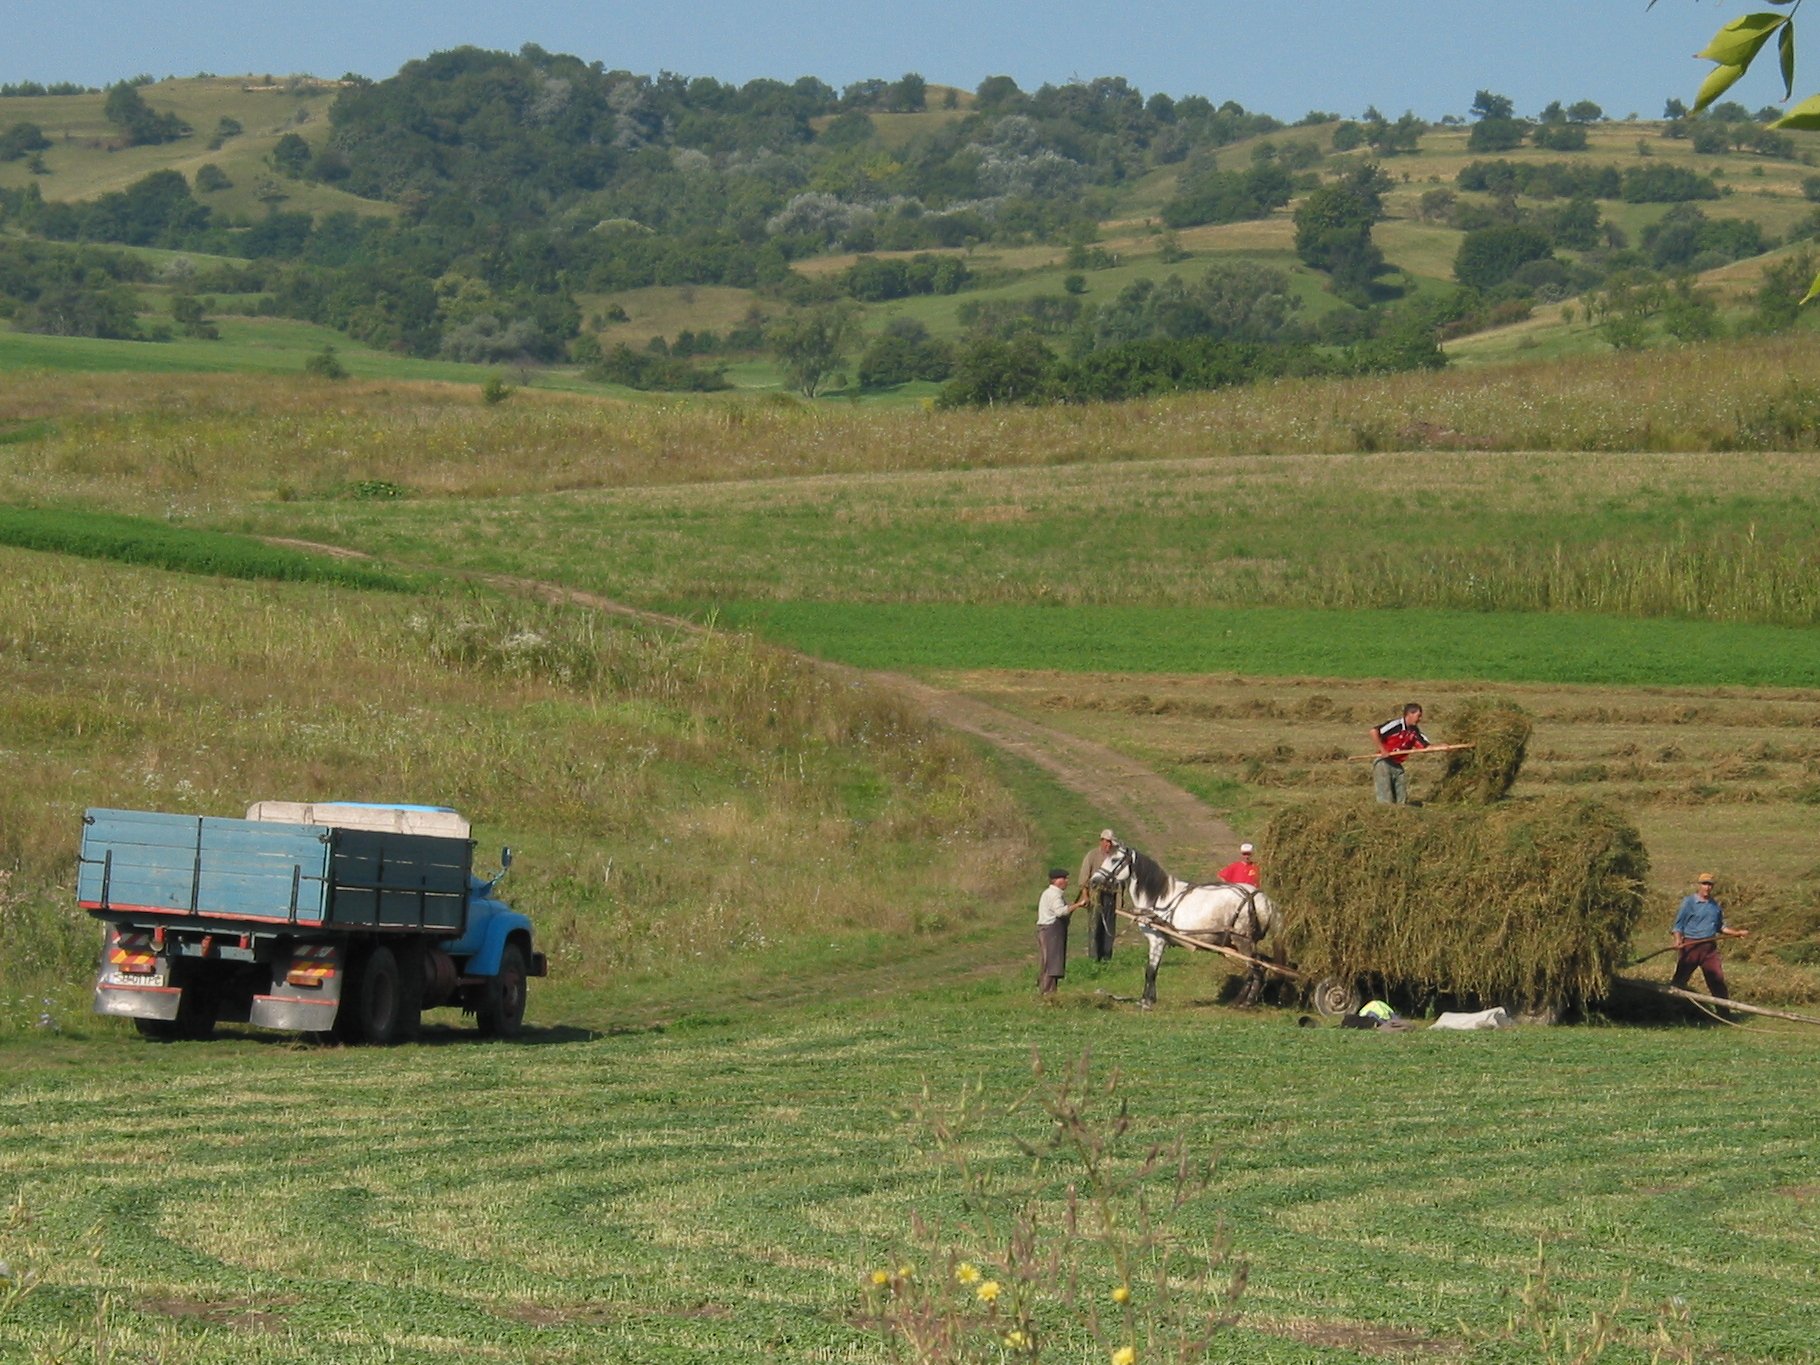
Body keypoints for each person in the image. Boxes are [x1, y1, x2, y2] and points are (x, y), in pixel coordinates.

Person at [1671, 872, 1749, 1005]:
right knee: (1680, 980)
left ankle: (1724, 1013)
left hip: (1709, 949)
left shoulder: (1714, 906)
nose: (1707, 887)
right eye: (1704, 884)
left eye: (1709, 885)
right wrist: (1678, 940)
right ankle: (1670, 1007)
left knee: (1717, 979)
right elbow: (1678, 926)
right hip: (1691, 946)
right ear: (1699, 885)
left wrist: (1736, 933)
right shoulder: (1689, 902)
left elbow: (1720, 927)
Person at [1371, 702, 1430, 805]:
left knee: (1401, 795)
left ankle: (1401, 811)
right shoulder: (1395, 725)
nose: (1420, 719)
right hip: (1383, 762)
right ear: (1410, 714)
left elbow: (1425, 747)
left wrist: (1443, 746)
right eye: (1418, 716)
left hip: (1397, 764)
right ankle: (1386, 813)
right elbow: (1373, 732)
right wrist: (1383, 750)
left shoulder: (1414, 731)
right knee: (1385, 795)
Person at [1077, 828, 1122, 961]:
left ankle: (1107, 958)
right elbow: (1083, 879)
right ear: (1101, 841)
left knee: (1109, 929)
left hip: (1110, 896)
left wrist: (1119, 902)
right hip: (1095, 896)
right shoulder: (1092, 856)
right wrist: (1086, 896)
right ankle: (1094, 959)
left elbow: (1120, 882)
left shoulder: (1114, 858)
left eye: (1110, 843)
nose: (1108, 845)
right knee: (1095, 928)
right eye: (1106, 842)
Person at [1036, 867, 1078, 997]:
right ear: (1056, 880)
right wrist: (1079, 904)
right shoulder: (1054, 895)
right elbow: (1060, 912)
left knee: (1049, 961)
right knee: (1052, 962)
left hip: (1048, 930)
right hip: (1051, 931)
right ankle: (1048, 993)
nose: (1067, 881)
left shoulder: (1049, 893)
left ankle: (1049, 991)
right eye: (1064, 878)